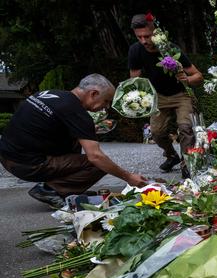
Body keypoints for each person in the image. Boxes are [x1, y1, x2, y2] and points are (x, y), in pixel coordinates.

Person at [0, 74, 148, 208]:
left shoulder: (50, 94)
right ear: (93, 94)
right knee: (98, 164)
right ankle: (50, 191)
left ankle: (67, 189)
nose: (106, 106)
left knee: (78, 140)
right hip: (27, 165)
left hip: (7, 156)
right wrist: (128, 177)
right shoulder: (77, 112)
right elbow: (96, 157)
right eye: (106, 101)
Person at [128, 13, 203, 175]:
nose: (143, 41)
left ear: (154, 31)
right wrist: (138, 97)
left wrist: (187, 80)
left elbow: (198, 76)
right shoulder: (135, 51)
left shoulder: (171, 49)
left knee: (186, 128)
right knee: (156, 132)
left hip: (181, 94)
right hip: (158, 96)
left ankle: (187, 163)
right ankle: (171, 156)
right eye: (139, 37)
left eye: (146, 36)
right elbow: (134, 79)